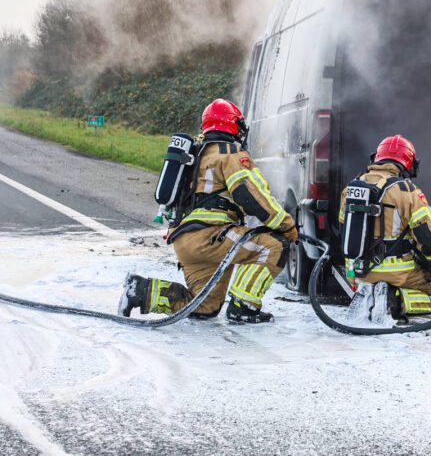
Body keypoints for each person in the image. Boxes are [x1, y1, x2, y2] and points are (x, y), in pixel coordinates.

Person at [118, 99, 299, 324]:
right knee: (274, 245)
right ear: (234, 126)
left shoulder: (196, 154)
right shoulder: (231, 153)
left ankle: (141, 291)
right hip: (211, 236)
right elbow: (250, 195)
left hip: (185, 242)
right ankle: (244, 307)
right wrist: (286, 225)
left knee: (204, 306)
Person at [339, 134, 431, 321]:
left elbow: (343, 230)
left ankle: (369, 292)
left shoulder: (351, 189)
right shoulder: (407, 191)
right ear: (410, 165)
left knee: (368, 280)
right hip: (396, 273)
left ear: (376, 158)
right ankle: (395, 300)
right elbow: (428, 239)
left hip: (356, 271)